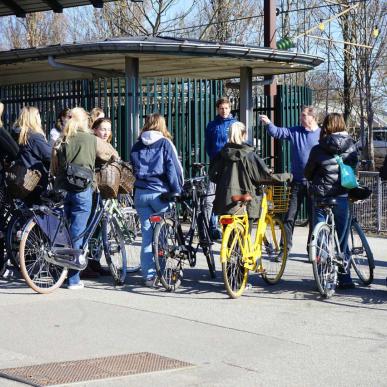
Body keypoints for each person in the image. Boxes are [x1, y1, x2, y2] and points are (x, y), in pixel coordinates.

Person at [51, 107, 118, 290]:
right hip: (83, 189)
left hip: (63, 189)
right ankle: (73, 279)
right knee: (77, 232)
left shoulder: (61, 139)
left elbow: (54, 167)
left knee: (64, 231)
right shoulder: (91, 139)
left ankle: (59, 272)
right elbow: (111, 155)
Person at [304, 113, 358, 289]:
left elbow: (308, 173)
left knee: (320, 234)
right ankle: (345, 278)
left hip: (321, 195)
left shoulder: (318, 148)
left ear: (325, 126)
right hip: (341, 195)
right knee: (342, 237)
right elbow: (354, 166)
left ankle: (322, 274)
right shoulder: (351, 146)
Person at [130, 113, 183, 287]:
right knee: (162, 236)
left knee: (147, 236)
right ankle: (162, 272)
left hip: (141, 193)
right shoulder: (164, 143)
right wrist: (177, 189)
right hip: (160, 193)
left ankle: (149, 276)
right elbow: (172, 168)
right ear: (162, 125)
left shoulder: (136, 145)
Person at [259, 106, 321, 255]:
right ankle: (284, 249)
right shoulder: (295, 131)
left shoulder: (322, 135)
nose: (301, 118)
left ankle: (312, 250)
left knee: (315, 219)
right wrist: (268, 123)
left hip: (315, 183)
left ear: (313, 117)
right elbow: (278, 132)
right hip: (297, 182)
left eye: (304, 115)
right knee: (289, 217)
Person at [209, 121, 292, 222]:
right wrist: (287, 176)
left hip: (224, 199)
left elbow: (213, 175)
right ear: (244, 134)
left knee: (229, 234)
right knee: (245, 234)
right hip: (245, 202)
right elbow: (263, 176)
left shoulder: (221, 154)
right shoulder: (249, 155)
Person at [204, 97, 237, 239]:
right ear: (217, 109)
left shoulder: (235, 124)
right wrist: (214, 157)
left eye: (226, 108)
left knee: (227, 198)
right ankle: (211, 228)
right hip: (215, 165)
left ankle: (228, 228)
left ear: (230, 108)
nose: (224, 111)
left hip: (230, 166)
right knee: (210, 199)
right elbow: (208, 145)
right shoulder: (212, 125)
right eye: (221, 108)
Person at [14, 106, 52, 205]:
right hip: (34, 180)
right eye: (38, 114)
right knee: (36, 211)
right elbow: (49, 155)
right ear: (34, 118)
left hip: (19, 177)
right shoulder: (35, 136)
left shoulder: (17, 134)